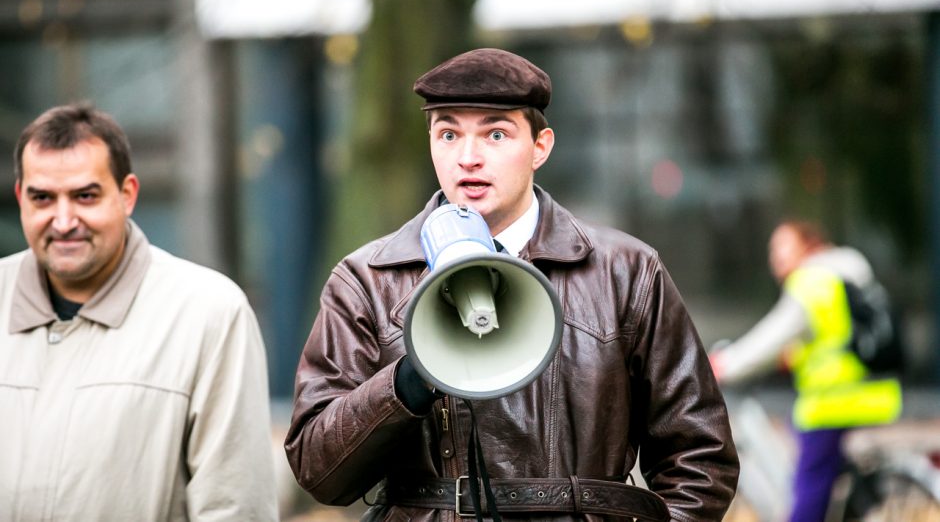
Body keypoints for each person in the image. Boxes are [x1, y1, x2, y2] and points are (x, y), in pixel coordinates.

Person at [286, 48, 739, 521]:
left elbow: (700, 458)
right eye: (447, 134)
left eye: (495, 134)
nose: (468, 158)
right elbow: (320, 471)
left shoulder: (626, 271)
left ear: (540, 146)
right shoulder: (368, 279)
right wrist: (408, 382)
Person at [0, 103, 279, 521]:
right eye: (43, 198)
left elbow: (236, 506)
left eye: (85, 196)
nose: (63, 220)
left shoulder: (209, 315)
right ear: (21, 197)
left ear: (127, 194)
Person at [709, 220, 903, 522]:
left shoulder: (811, 281)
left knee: (807, 493)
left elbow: (769, 339)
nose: (776, 257)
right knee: (799, 435)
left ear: (809, 245)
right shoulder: (847, 271)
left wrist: (723, 365)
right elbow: (835, 335)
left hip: (834, 402)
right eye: (773, 250)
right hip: (876, 392)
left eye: (783, 246)